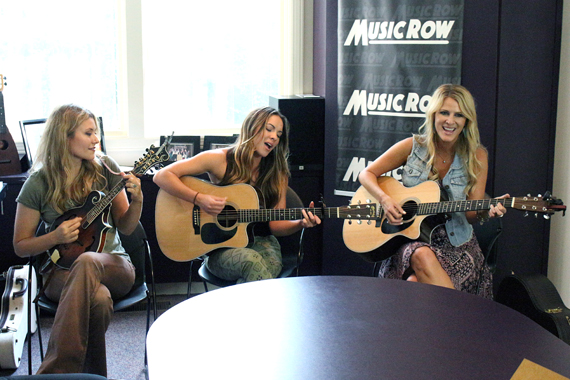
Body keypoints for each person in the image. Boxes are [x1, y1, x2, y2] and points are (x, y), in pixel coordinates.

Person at [13, 104, 143, 376]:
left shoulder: (106, 169)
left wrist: (138, 199)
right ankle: (93, 376)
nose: (96, 139)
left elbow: (128, 228)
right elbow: (21, 245)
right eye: (88, 133)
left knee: (87, 261)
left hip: (114, 266)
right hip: (60, 272)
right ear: (65, 137)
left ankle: (55, 372)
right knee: (97, 300)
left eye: (95, 132)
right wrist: (54, 237)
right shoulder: (38, 183)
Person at [358, 84, 508, 298]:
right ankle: (459, 320)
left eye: (458, 115)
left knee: (414, 283)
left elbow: (471, 215)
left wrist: (487, 211)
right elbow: (366, 174)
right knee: (420, 255)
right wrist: (385, 199)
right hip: (409, 241)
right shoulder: (413, 146)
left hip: (456, 247)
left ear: (467, 121)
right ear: (433, 115)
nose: (450, 121)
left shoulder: (477, 156)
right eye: (444, 113)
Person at [153, 106, 321, 283]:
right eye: (269, 129)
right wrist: (199, 199)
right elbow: (162, 176)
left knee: (259, 273)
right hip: (220, 248)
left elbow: (276, 225)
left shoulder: (277, 173)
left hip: (263, 243)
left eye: (279, 134)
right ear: (252, 127)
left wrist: (300, 223)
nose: (274, 137)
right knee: (252, 263)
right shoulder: (219, 159)